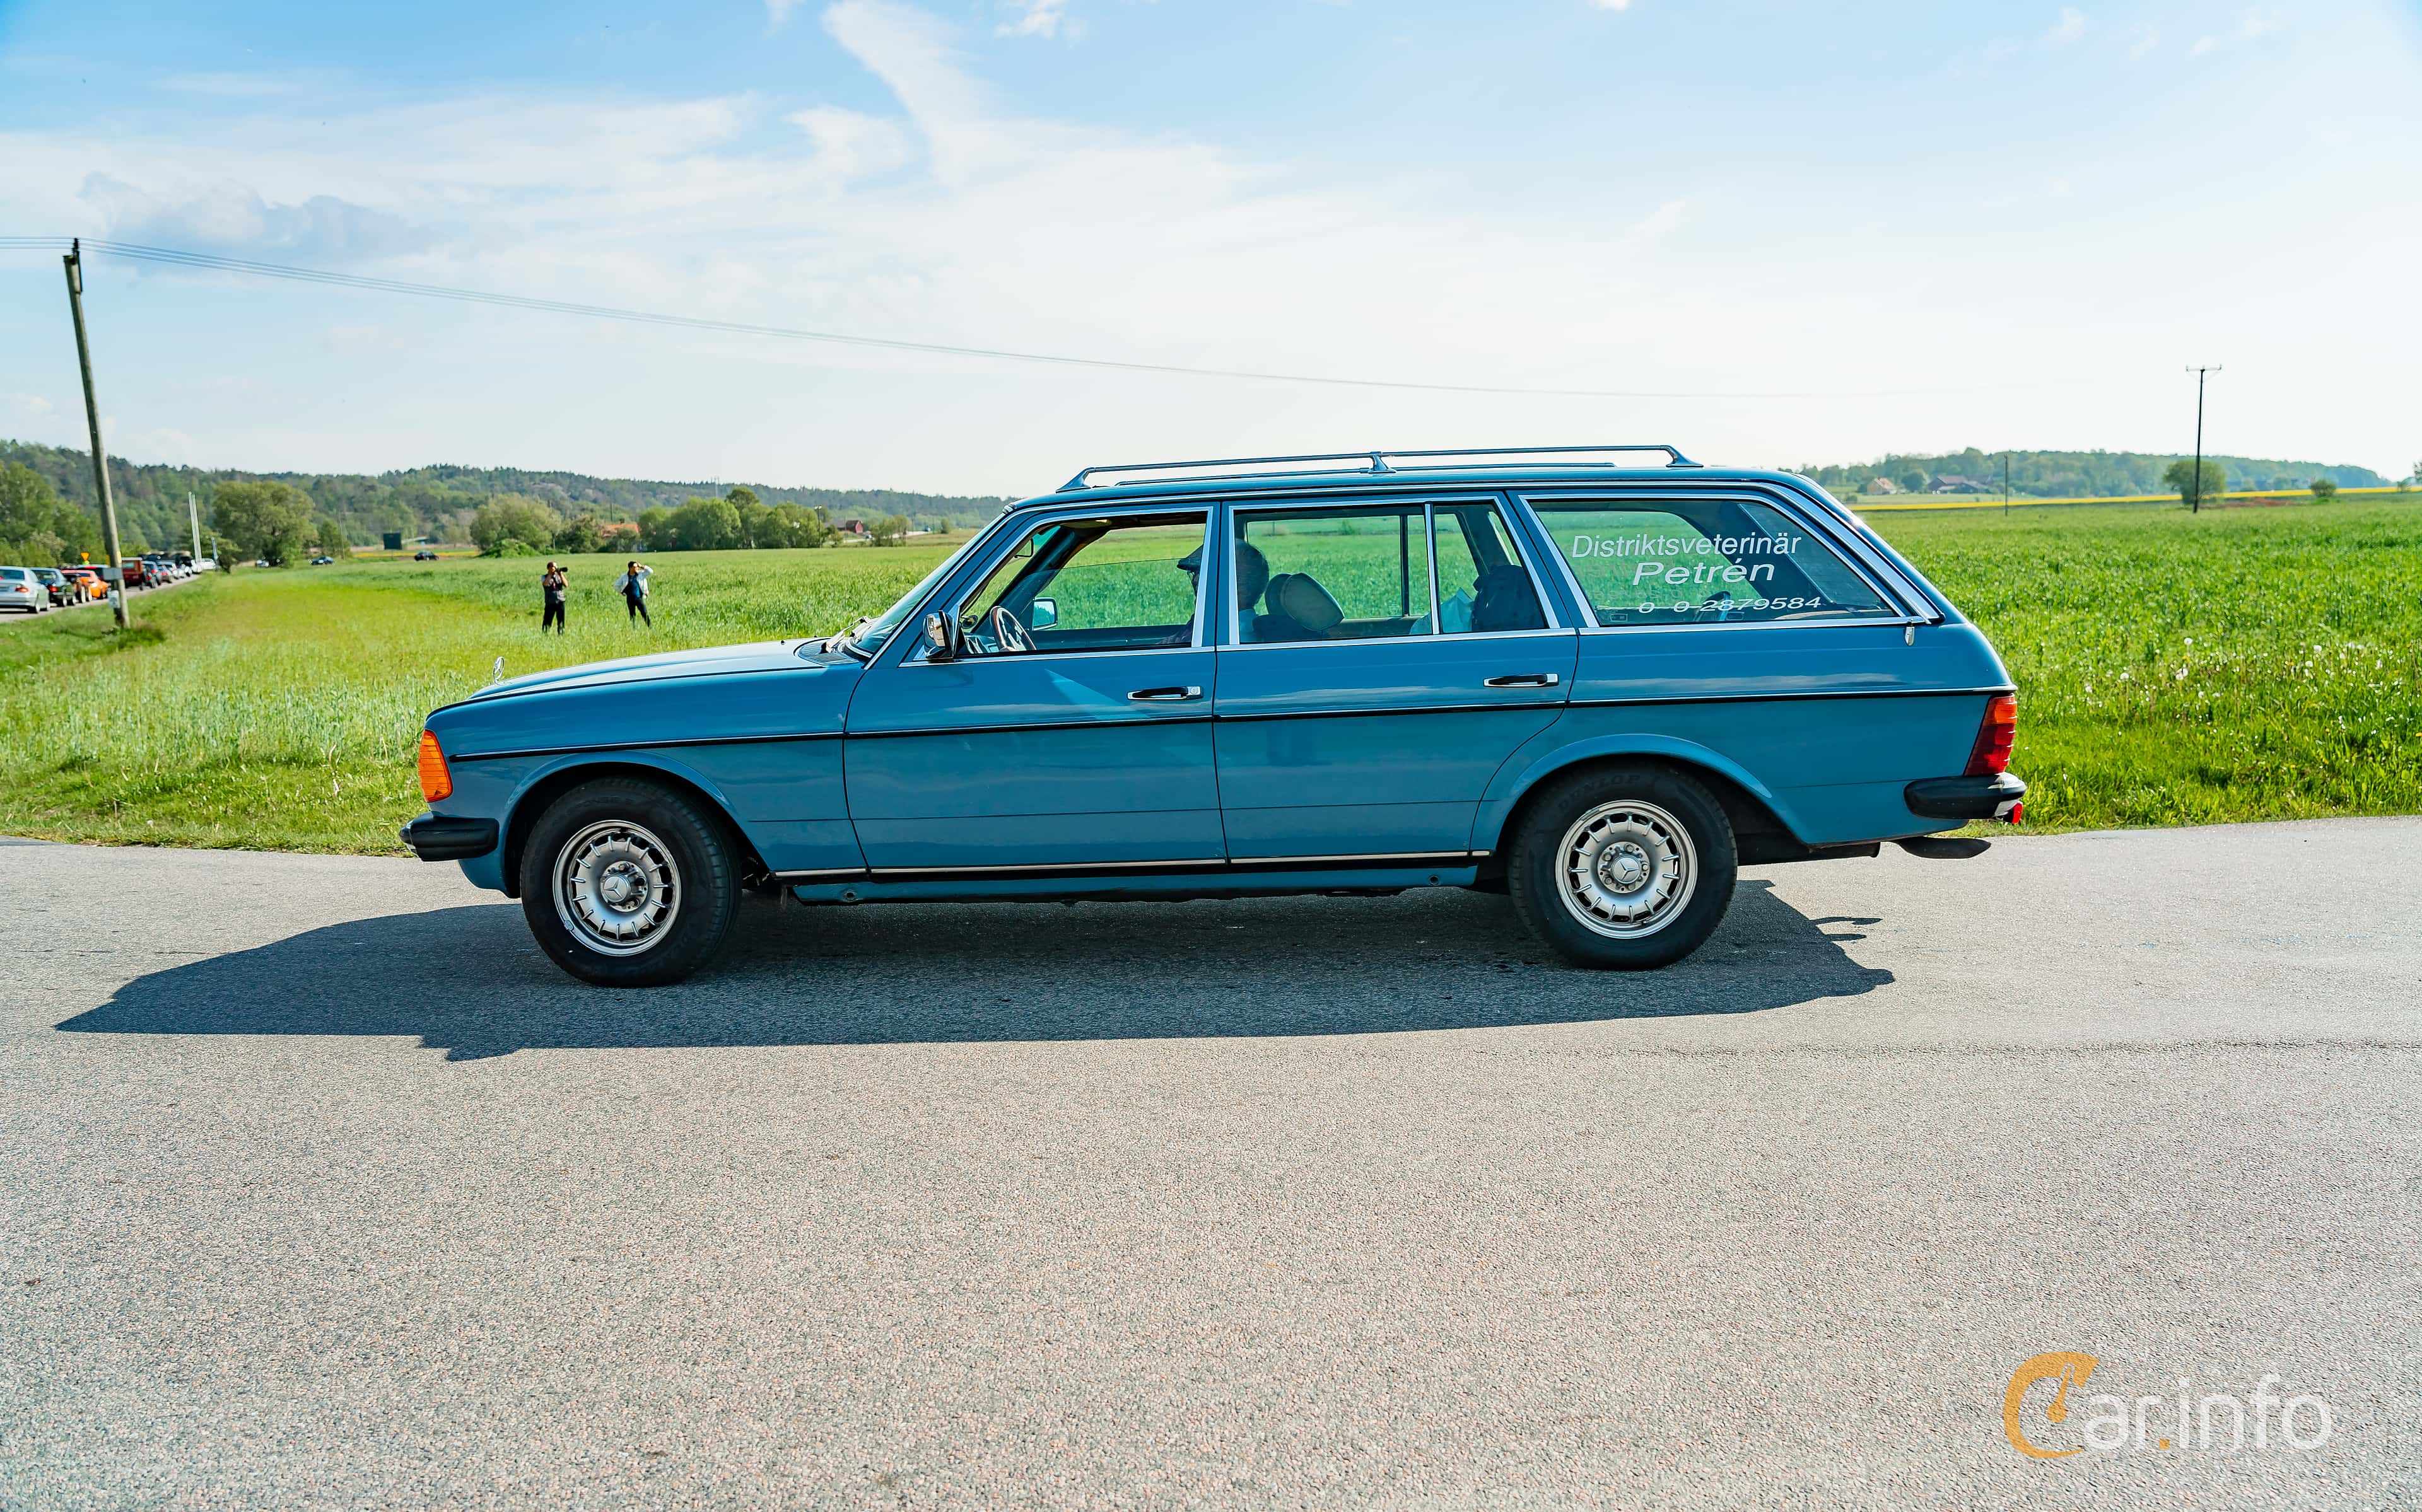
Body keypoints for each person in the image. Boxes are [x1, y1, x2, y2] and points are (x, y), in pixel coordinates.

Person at [614, 559, 653, 627]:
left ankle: (650, 627)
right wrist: (622, 592)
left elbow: (651, 572)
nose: (637, 568)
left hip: (639, 598)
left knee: (644, 612)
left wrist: (642, 566)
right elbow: (617, 585)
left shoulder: (641, 574)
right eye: (635, 567)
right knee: (632, 614)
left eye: (637, 566)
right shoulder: (625, 576)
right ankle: (634, 628)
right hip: (630, 599)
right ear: (631, 568)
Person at [540, 561, 567, 634]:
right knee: (547, 621)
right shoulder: (544, 577)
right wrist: (550, 574)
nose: (555, 568)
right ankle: (545, 635)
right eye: (553, 567)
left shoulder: (559, 576)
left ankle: (561, 634)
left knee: (561, 621)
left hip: (561, 601)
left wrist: (561, 574)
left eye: (556, 567)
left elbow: (566, 585)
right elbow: (546, 584)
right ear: (548, 568)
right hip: (550, 602)